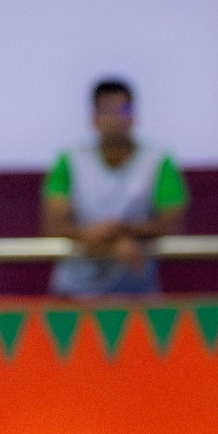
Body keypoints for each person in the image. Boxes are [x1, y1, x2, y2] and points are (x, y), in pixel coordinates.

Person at [41, 79, 187, 297]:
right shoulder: (70, 161)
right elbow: (53, 226)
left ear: (134, 116)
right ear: (94, 118)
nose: (115, 118)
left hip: (136, 292)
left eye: (123, 109)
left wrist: (120, 229)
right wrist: (109, 245)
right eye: (106, 110)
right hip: (74, 293)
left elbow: (172, 224)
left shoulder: (158, 162)